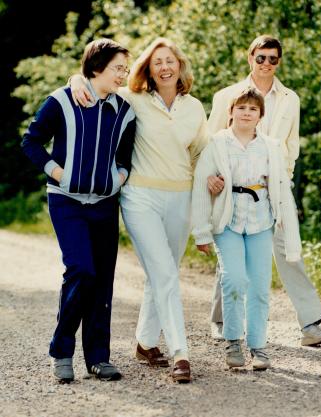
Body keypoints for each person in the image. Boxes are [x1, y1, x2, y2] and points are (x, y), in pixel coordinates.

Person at [70, 37, 208, 383]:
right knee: (164, 273)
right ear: (148, 68)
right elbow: (96, 81)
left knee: (163, 271)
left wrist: (213, 179)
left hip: (180, 197)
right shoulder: (131, 100)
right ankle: (181, 353)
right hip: (140, 197)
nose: (164, 67)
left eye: (169, 61)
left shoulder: (194, 107)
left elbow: (201, 153)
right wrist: (75, 80)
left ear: (180, 66)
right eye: (156, 62)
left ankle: (146, 343)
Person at [21, 38, 136, 382]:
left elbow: (124, 157)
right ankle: (62, 350)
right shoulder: (61, 101)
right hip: (66, 202)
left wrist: (119, 178)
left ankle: (99, 358)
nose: (122, 75)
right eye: (118, 68)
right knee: (81, 270)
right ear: (96, 68)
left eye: (125, 70)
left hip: (104, 205)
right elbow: (31, 141)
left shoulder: (126, 111)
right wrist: (58, 172)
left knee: (102, 281)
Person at [207, 34, 321, 346]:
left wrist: (283, 182)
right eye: (261, 57)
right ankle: (222, 319)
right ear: (250, 59)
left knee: (290, 250)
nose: (267, 64)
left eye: (273, 58)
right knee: (230, 252)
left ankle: (311, 323)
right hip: (233, 187)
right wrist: (213, 179)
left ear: (279, 62)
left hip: (276, 187)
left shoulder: (290, 98)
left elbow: (292, 145)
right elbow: (211, 140)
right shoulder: (228, 96)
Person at [192, 88, 301, 369]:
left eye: (253, 109)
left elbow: (279, 188)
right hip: (227, 221)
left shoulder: (270, 146)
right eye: (241, 108)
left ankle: (258, 346)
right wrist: (201, 232)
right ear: (231, 112)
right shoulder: (216, 144)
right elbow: (201, 188)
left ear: (260, 116)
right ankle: (232, 341)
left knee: (260, 286)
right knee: (235, 279)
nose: (246, 113)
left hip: (261, 222)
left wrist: (290, 234)